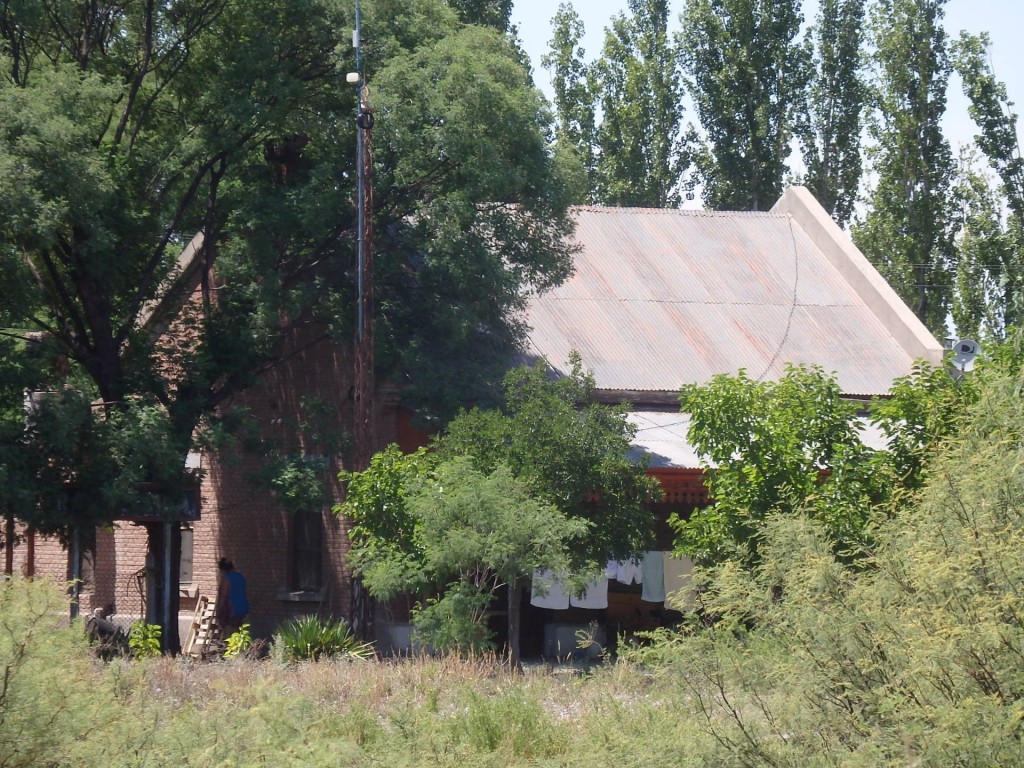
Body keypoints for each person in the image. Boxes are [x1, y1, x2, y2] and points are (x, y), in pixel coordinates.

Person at [215, 557, 249, 635]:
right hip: (243, 607)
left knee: (230, 633)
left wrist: (219, 611)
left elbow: (224, 596)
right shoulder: (240, 577)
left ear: (222, 569)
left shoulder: (226, 579)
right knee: (240, 633)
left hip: (232, 609)